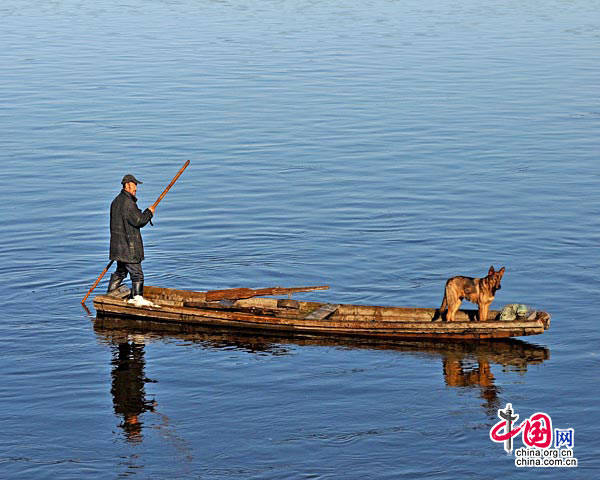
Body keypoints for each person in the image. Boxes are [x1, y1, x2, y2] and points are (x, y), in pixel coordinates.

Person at [107, 174, 156, 306]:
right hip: (129, 248)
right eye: (134, 186)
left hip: (118, 247)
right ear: (128, 185)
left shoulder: (115, 201)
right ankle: (137, 299)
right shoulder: (129, 204)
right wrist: (149, 212)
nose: (136, 189)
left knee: (121, 271)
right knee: (137, 274)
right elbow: (139, 220)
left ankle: (111, 293)